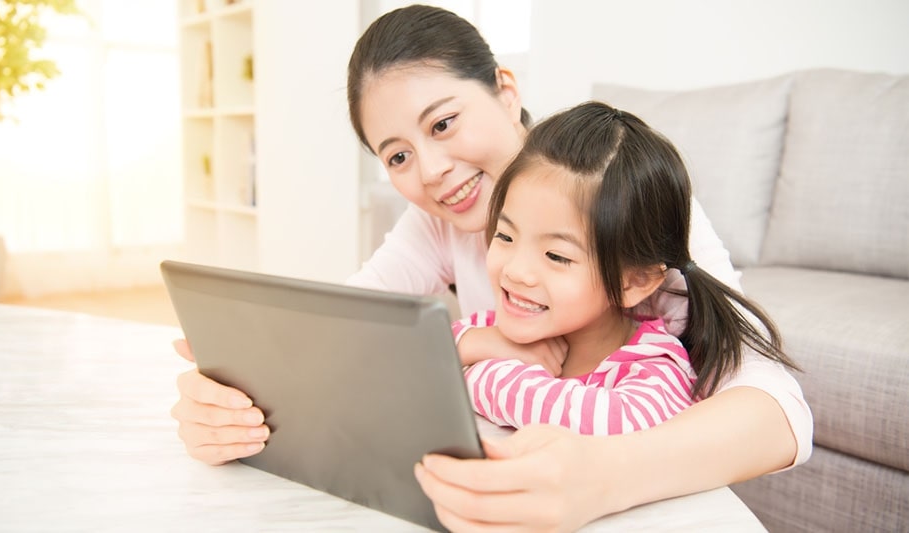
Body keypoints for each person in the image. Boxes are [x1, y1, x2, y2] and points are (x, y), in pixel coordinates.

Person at [170, 4, 812, 530]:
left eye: (443, 123)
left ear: (506, 92)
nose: (430, 170)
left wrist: (602, 475)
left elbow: (779, 406)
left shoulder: (619, 197)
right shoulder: (435, 221)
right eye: (396, 156)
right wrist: (227, 399)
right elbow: (343, 330)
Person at [451, 101, 798, 440]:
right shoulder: (496, 327)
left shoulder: (653, 363)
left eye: (556, 256)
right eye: (505, 235)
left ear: (635, 280)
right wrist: (476, 343)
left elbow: (615, 424)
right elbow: (415, 357)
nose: (515, 271)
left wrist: (477, 373)